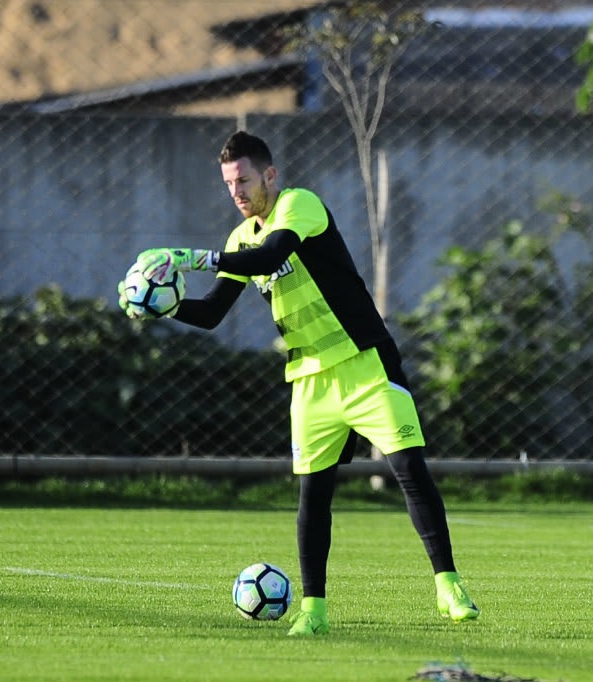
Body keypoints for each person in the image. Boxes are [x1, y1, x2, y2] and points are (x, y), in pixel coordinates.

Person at [118, 130, 479, 636]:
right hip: (309, 380)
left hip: (364, 364)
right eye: (228, 183)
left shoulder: (299, 206)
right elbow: (214, 313)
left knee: (410, 471)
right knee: (314, 498)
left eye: (244, 179)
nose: (237, 191)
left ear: (270, 175)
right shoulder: (238, 238)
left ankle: (449, 587)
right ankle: (314, 612)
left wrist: (186, 258)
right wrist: (160, 305)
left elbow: (269, 258)